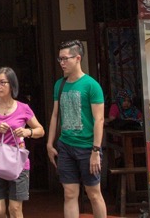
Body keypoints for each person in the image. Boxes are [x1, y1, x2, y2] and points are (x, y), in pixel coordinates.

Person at [46, 39, 107, 218]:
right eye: (60, 59)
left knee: (93, 193)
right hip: (65, 145)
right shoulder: (59, 84)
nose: (62, 63)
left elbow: (99, 119)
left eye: (65, 58)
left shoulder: (91, 85)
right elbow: (55, 115)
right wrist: (49, 143)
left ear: (78, 58)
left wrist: (95, 150)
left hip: (87, 147)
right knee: (69, 193)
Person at [0, 67, 44, 218]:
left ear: (12, 85)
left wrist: (28, 132)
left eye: (2, 82)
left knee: (15, 209)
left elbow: (40, 130)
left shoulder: (23, 108)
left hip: (18, 163)